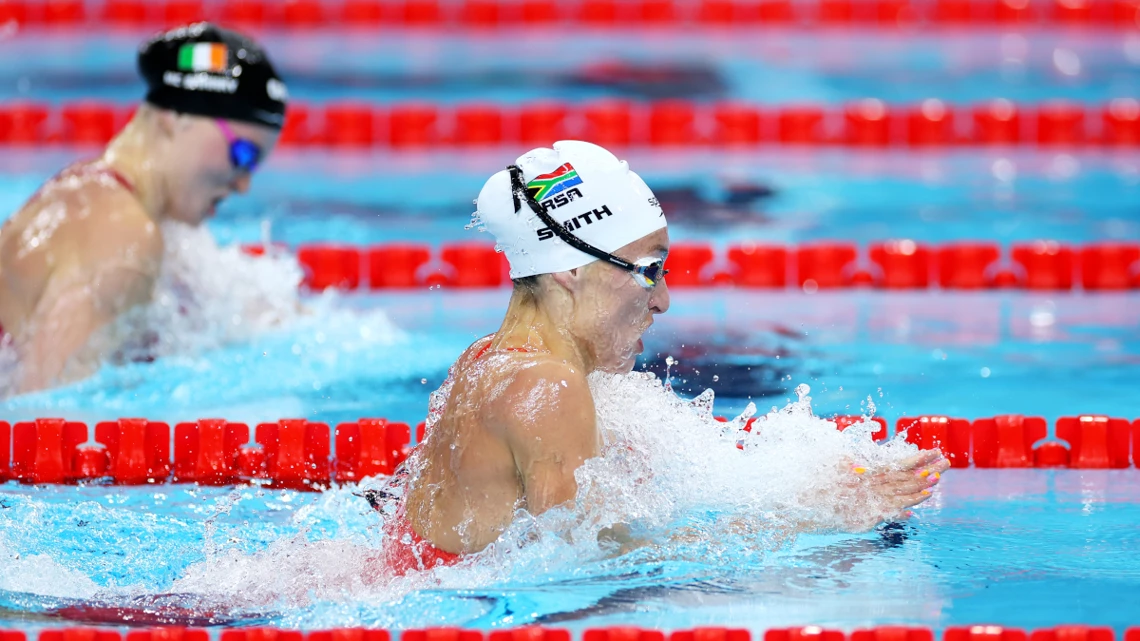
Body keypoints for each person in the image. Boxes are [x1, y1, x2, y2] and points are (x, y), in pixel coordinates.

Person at [370, 141, 950, 574]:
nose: (665, 300)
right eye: (650, 270)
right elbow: (595, 566)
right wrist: (825, 517)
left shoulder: (488, 359)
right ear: (570, 270)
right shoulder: (547, 388)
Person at [0, 22, 287, 394]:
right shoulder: (123, 234)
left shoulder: (94, 194)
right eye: (242, 154)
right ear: (176, 117)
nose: (244, 183)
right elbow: (44, 417)